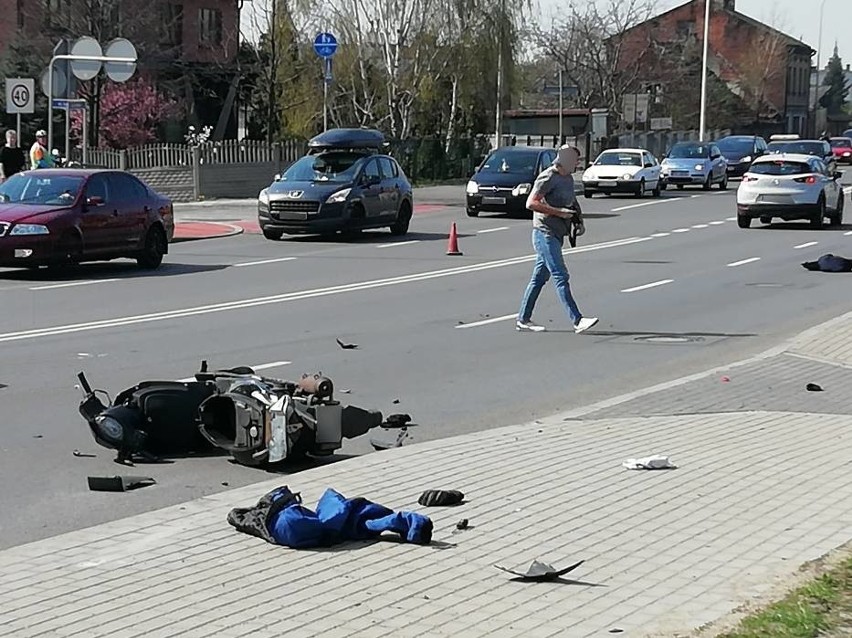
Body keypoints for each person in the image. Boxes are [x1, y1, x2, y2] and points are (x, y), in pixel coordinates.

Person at [516, 144, 598, 334]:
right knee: (561, 275)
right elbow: (531, 203)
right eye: (575, 160)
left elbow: (572, 201)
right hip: (544, 233)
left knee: (539, 278)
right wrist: (559, 213)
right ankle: (577, 320)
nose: (577, 163)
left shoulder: (567, 178)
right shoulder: (548, 177)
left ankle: (523, 319)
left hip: (558, 232)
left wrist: (579, 221)